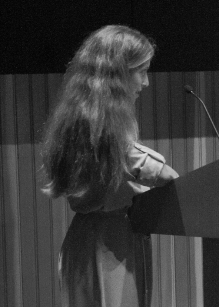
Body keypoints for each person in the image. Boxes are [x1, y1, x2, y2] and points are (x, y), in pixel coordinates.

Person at [41, 25, 179, 307]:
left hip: (112, 237)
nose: (146, 82)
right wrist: (165, 172)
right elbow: (142, 163)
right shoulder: (98, 125)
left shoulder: (89, 116)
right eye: (141, 71)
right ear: (118, 73)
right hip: (105, 244)